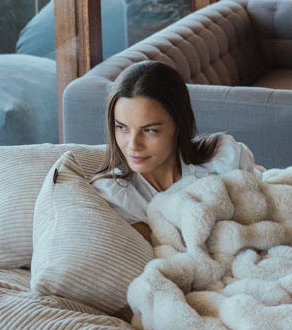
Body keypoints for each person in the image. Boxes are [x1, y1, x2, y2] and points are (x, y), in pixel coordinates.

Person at [91, 60, 263, 241]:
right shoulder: (116, 195)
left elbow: (268, 211)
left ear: (179, 124)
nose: (133, 144)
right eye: (122, 127)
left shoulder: (224, 156)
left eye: (150, 130)